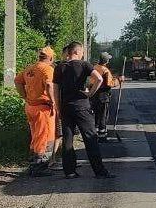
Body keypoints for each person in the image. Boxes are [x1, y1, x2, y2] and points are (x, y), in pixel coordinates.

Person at [54, 42, 112, 179]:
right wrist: (90, 94)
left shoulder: (59, 67)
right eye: (82, 52)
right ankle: (99, 171)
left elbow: (55, 89)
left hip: (65, 107)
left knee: (68, 139)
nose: (82, 55)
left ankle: (69, 171)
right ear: (77, 52)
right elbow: (98, 78)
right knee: (90, 137)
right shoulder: (84, 64)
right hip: (81, 106)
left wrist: (58, 107)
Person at [13, 46, 58, 177]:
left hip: (30, 106)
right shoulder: (47, 69)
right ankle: (40, 166)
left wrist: (24, 96)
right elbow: (49, 85)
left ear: (39, 57)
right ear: (50, 58)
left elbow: (17, 81)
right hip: (43, 108)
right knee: (44, 136)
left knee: (35, 135)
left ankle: (33, 163)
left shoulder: (29, 69)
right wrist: (53, 101)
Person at [91, 52, 120, 137]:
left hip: (94, 93)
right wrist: (118, 80)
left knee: (95, 114)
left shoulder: (94, 68)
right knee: (103, 115)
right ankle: (102, 135)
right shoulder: (105, 70)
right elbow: (109, 83)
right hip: (103, 95)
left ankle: (94, 134)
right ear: (106, 61)